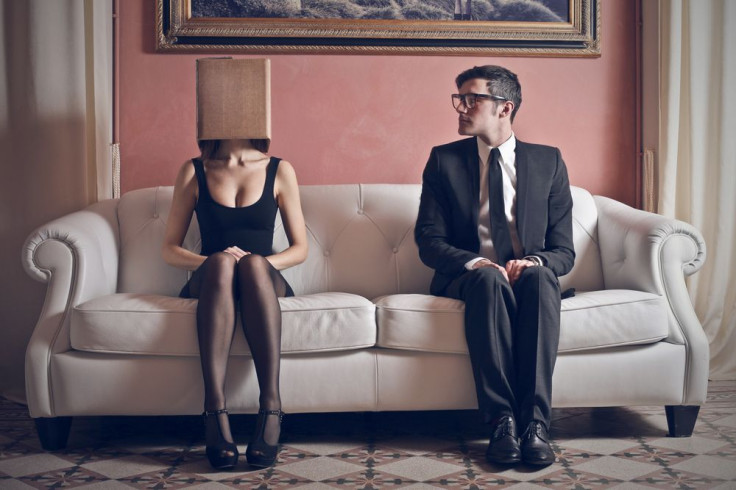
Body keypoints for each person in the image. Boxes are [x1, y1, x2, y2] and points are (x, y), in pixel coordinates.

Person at [415, 65, 574, 467]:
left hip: (527, 276)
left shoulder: (548, 162)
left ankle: (536, 425)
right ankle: (501, 420)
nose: (461, 107)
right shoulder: (443, 161)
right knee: (487, 279)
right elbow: (429, 241)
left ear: (505, 107)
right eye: (459, 99)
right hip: (472, 277)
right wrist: (476, 261)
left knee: (540, 278)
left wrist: (533, 261)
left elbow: (563, 251)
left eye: (472, 99)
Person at [162, 137, 307, 470]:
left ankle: (271, 406)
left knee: (253, 263)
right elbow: (169, 248)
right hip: (213, 278)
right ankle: (214, 410)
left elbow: (300, 249)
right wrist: (216, 260)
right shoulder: (194, 169)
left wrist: (259, 261)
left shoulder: (279, 169)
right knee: (223, 262)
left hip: (262, 279)